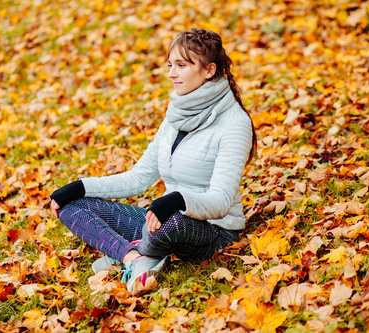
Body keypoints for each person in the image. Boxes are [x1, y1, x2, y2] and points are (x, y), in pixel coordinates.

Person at [49, 27, 257, 295]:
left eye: (182, 65)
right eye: (170, 65)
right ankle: (132, 258)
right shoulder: (176, 115)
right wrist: (80, 187)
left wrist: (177, 200)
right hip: (163, 219)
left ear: (208, 70)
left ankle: (135, 252)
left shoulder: (234, 123)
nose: (171, 73)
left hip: (214, 232)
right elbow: (139, 178)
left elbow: (221, 201)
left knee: (167, 224)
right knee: (71, 205)